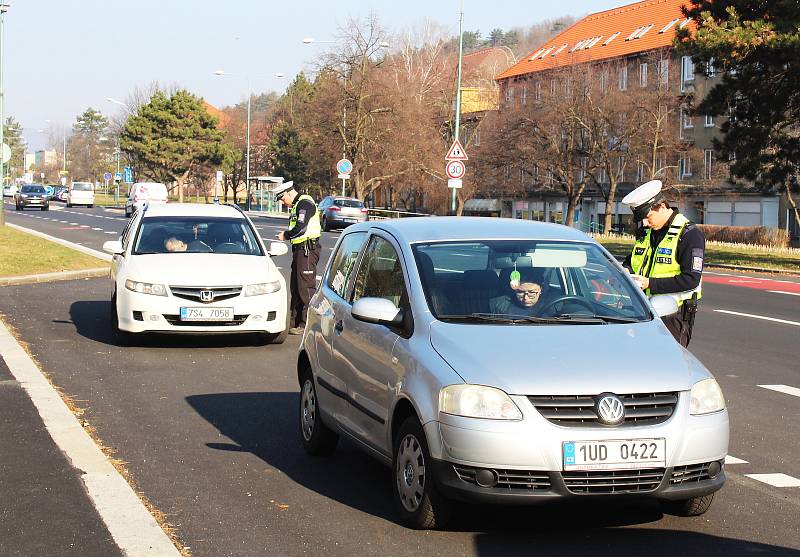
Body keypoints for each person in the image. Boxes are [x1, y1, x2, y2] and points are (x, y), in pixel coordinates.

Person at [621, 179, 705, 347]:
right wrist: (623, 273)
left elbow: (691, 279)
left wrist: (649, 284)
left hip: (672, 315)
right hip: (641, 309)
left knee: (666, 365)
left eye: (647, 216)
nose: (644, 222)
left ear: (662, 206)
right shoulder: (647, 232)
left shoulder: (689, 234)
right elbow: (632, 262)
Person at [272, 181, 322, 335]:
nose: (282, 202)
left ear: (288, 193)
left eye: (282, 198)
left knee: (305, 288)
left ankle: (306, 323)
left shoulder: (305, 204)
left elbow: (301, 228)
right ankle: (294, 322)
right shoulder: (297, 205)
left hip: (307, 250)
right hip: (300, 250)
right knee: (295, 286)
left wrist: (285, 235)